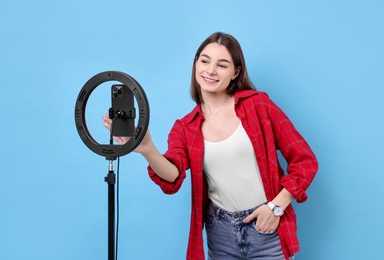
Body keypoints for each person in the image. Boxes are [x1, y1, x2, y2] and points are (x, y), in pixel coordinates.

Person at [103, 32, 318, 260]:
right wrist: (147, 149)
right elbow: (172, 176)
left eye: (222, 65)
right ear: (196, 64)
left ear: (235, 72)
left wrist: (276, 207)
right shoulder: (185, 127)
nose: (210, 70)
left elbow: (305, 161)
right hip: (221, 233)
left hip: (266, 229)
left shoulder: (258, 105)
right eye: (204, 60)